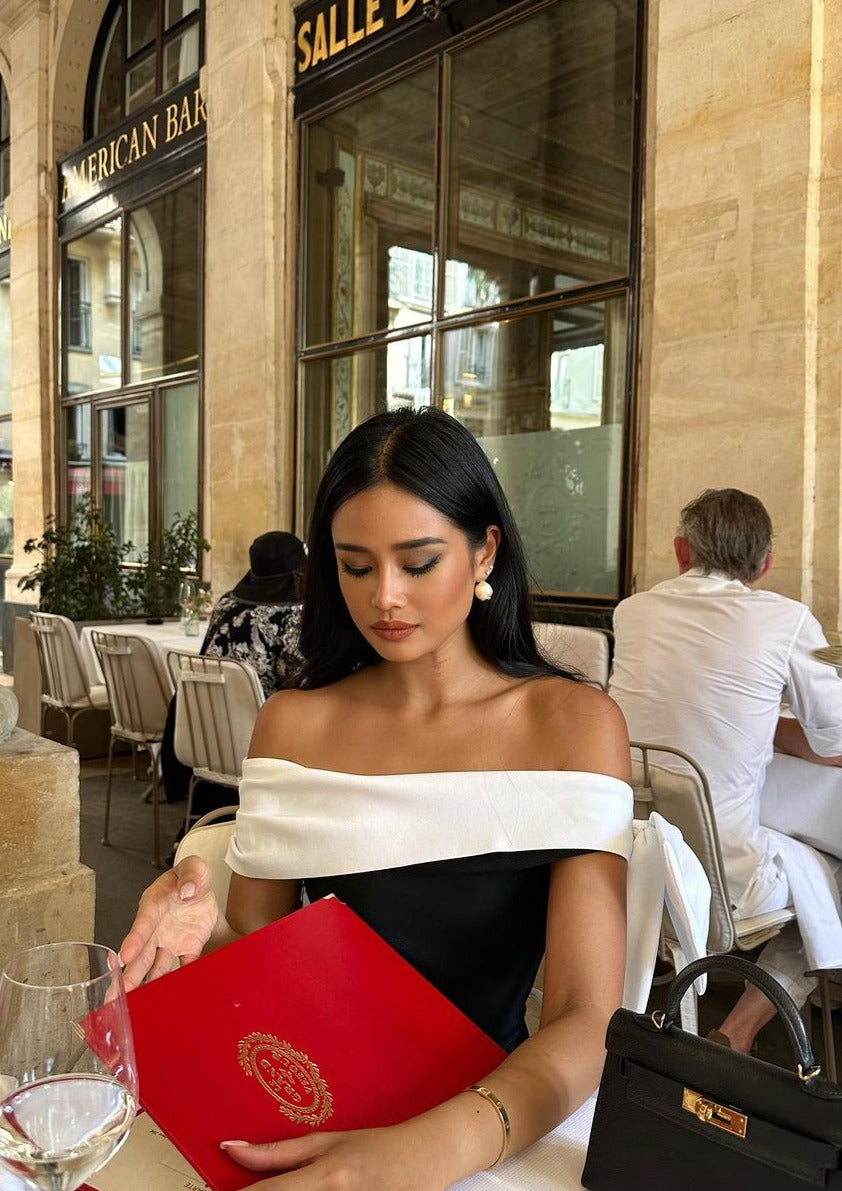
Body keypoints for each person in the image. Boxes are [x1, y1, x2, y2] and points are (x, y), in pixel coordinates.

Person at [120, 407, 633, 1191]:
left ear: (485, 550)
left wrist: (425, 1151)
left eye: (418, 562)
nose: (385, 597)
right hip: (307, 1098)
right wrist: (197, 917)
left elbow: (585, 1014)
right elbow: (255, 953)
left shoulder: (570, 725)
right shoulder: (295, 722)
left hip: (488, 1120)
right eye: (356, 567)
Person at [609, 487, 842, 1054]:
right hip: (726, 887)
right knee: (832, 874)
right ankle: (739, 1032)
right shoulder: (786, 620)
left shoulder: (632, 611)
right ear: (764, 565)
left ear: (681, 550)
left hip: (629, 859)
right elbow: (835, 741)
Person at [160, 530, 305, 830]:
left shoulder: (226, 604)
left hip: (209, 740)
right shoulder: (296, 615)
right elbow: (304, 682)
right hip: (260, 747)